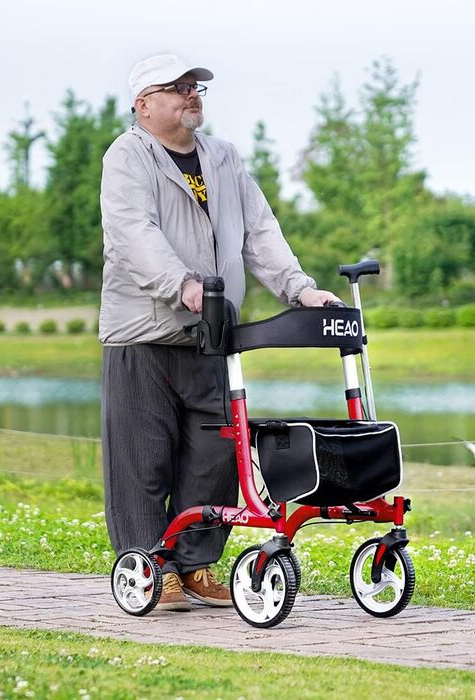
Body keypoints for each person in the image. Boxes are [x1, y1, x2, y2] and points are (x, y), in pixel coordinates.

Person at [99, 53, 339, 612]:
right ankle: (149, 566)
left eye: (195, 87)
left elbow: (260, 230)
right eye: (177, 88)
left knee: (214, 452)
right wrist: (181, 284)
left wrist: (300, 289)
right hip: (144, 332)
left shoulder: (224, 158)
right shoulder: (128, 156)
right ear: (143, 104)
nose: (191, 95)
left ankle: (195, 562)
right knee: (143, 458)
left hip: (212, 334)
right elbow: (133, 233)